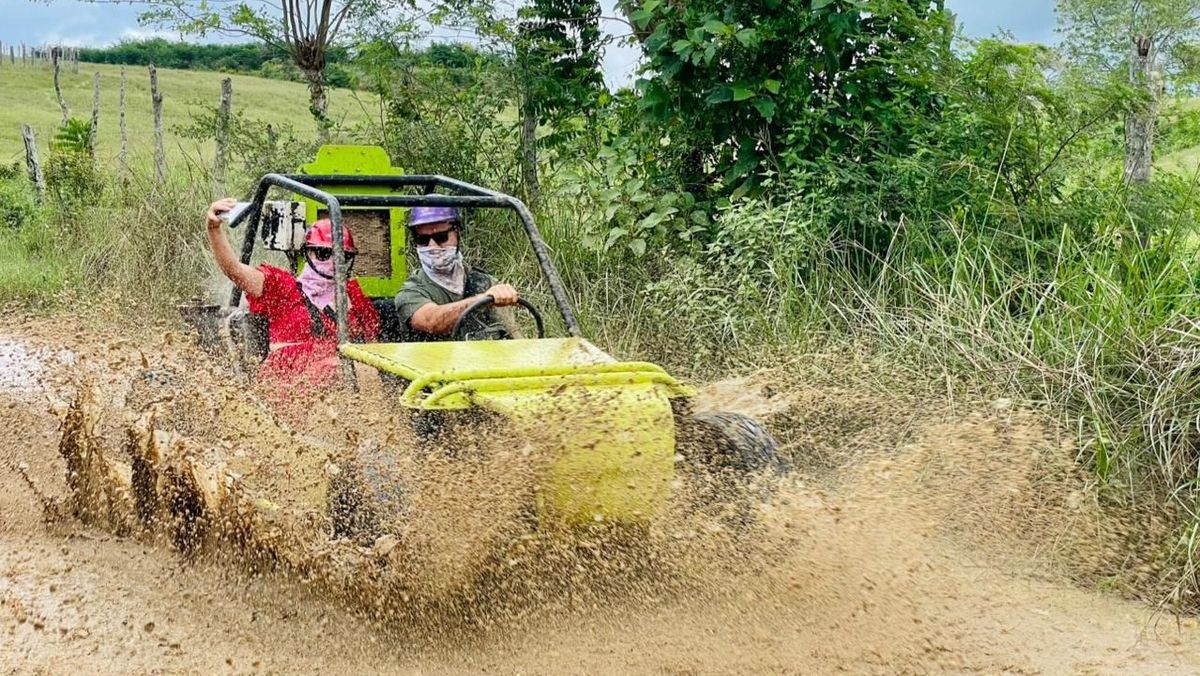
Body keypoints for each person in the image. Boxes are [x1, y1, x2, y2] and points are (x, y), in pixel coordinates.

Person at [206, 197, 380, 389]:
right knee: (332, 370)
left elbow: (371, 349)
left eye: (342, 256)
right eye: (323, 254)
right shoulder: (282, 287)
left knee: (363, 373)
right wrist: (214, 229)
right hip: (289, 384)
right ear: (309, 253)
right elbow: (235, 270)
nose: (332, 262)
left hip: (344, 386)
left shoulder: (352, 296)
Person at [394, 206, 520, 340]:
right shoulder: (410, 293)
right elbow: (431, 321)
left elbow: (513, 336)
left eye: (441, 237)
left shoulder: (484, 282)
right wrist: (482, 300)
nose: (432, 246)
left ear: (457, 233)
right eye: (422, 240)